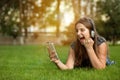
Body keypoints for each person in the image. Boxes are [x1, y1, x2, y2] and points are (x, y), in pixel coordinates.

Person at [47, 17, 114, 70]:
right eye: (77, 31)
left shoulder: (100, 43)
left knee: (107, 62)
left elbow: (100, 68)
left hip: (100, 61)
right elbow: (68, 68)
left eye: (82, 30)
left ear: (91, 32)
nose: (78, 33)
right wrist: (57, 61)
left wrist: (89, 48)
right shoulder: (74, 46)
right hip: (84, 63)